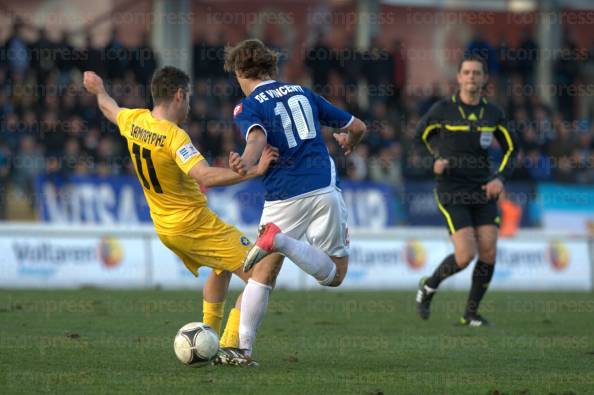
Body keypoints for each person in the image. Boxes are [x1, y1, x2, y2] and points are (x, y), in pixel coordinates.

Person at [83, 66, 278, 365]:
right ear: (178, 95)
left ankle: (208, 335)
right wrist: (253, 172)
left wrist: (98, 89)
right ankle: (231, 347)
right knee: (259, 273)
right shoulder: (174, 137)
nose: (188, 105)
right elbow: (206, 176)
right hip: (192, 223)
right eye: (187, 98)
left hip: (165, 225)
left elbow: (109, 107)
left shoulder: (134, 120)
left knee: (220, 267)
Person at [221, 39, 367, 360]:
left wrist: (246, 161)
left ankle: (242, 351)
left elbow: (257, 137)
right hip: (321, 186)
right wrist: (348, 140)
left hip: (282, 195)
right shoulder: (303, 92)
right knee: (336, 275)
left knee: (262, 275)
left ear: (242, 71)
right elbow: (357, 126)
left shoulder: (249, 105)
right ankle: (282, 242)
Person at [415, 54, 519, 327]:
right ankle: (428, 287)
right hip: (451, 188)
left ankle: (470, 314)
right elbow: (418, 139)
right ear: (459, 77)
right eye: (467, 73)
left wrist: (500, 178)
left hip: (483, 189)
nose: (472, 77)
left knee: (489, 252)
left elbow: (512, 149)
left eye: (477, 73)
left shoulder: (493, 113)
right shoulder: (442, 109)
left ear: (484, 78)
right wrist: (433, 161)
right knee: (465, 255)